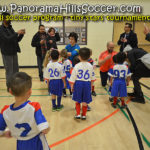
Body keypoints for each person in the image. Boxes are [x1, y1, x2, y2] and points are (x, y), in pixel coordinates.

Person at [0, 72, 50, 150]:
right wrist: (47, 127)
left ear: (10, 91)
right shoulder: (34, 107)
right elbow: (45, 129)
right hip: (37, 142)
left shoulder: (4, 112)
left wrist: (5, 134)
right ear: (30, 92)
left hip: (21, 144)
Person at [69, 48, 96, 120]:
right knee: (85, 101)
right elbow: (92, 78)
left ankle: (78, 114)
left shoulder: (76, 66)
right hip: (87, 84)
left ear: (79, 57)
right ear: (89, 57)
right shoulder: (90, 66)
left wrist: (72, 86)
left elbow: (73, 77)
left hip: (78, 84)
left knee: (78, 100)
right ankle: (84, 115)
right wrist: (91, 86)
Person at [0, 12, 25, 88]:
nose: (10, 19)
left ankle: (15, 85)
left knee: (16, 70)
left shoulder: (10, 28)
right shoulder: (1, 29)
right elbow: (7, 39)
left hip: (14, 52)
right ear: (3, 19)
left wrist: (21, 35)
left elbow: (15, 40)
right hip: (7, 53)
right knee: (9, 71)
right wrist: (17, 33)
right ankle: (9, 87)